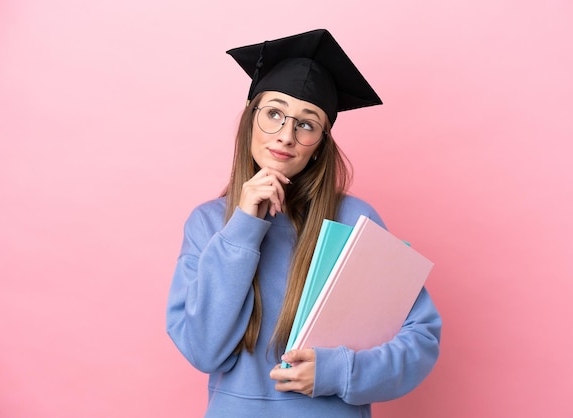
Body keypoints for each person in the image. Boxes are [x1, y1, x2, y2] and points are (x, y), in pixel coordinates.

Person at [166, 29, 441, 418]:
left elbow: (421, 338)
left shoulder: (354, 219)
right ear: (250, 121)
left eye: (307, 124)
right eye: (274, 114)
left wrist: (340, 372)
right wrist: (245, 225)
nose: (286, 136)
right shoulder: (209, 224)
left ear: (321, 144)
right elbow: (202, 349)